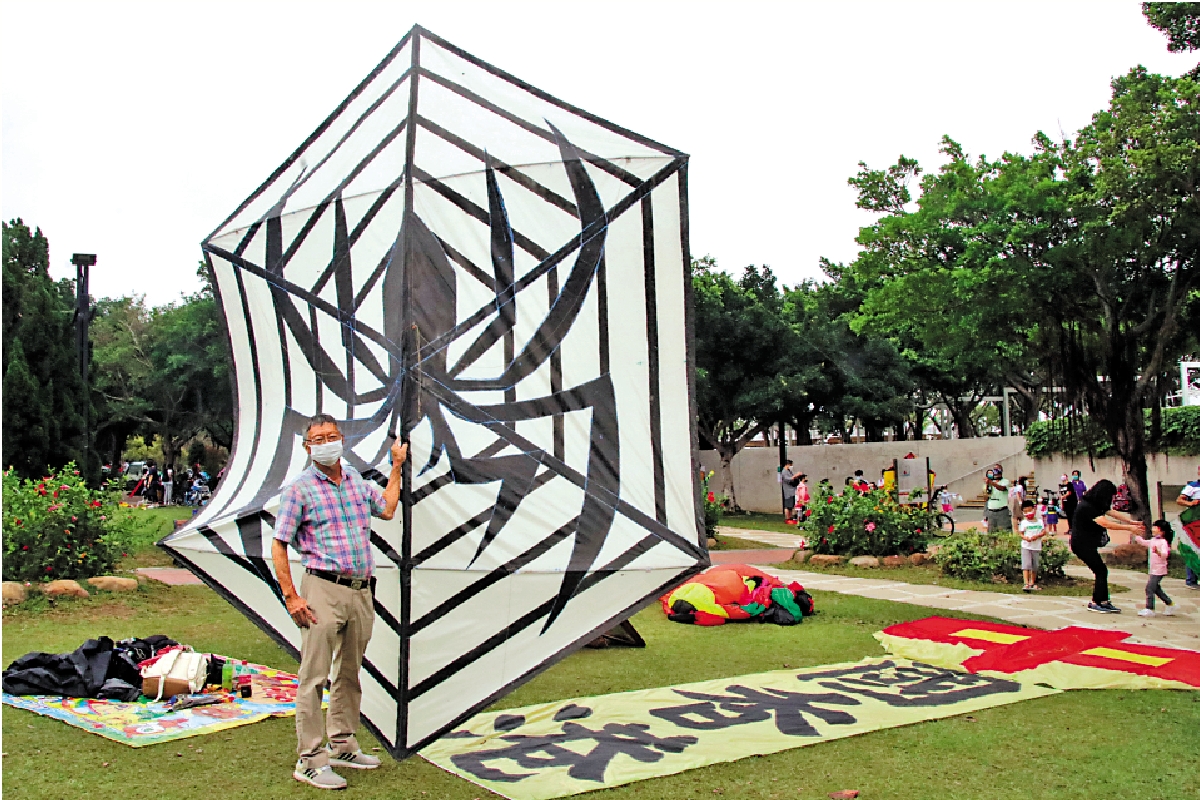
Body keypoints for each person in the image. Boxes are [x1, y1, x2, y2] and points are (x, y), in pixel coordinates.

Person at [271, 414, 408, 789]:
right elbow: (279, 544)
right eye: (318, 439)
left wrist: (396, 466)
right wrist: (291, 596)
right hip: (322, 588)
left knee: (349, 672)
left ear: (342, 439)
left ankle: (343, 745)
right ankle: (310, 760)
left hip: (361, 589)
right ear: (307, 447)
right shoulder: (299, 490)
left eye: (331, 436)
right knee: (314, 676)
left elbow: (387, 508)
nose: (326, 444)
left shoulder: (355, 481)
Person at [1072, 479, 1144, 614]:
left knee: (1101, 571)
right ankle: (1096, 602)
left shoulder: (1096, 504)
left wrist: (1131, 522)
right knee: (1101, 571)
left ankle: (1103, 601)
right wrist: (1129, 528)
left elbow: (1111, 512)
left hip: (1088, 544)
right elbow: (1106, 523)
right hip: (1081, 545)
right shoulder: (1087, 507)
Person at [1131, 520, 1176, 617]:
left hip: (1159, 570)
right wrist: (1137, 534)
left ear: (1162, 531)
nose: (1153, 529)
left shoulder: (1163, 542)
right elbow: (1143, 542)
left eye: (1156, 528)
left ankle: (1149, 608)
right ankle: (1170, 604)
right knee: (1156, 589)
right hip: (1153, 569)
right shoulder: (1154, 540)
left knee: (1149, 588)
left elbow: (1165, 555)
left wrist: (1158, 552)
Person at [1176, 465, 1200, 589]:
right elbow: (1179, 500)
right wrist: (1190, 503)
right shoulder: (1193, 486)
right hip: (1194, 522)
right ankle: (1191, 580)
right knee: (1193, 548)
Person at [1018, 499, 1046, 593]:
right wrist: (1025, 538)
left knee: (1034, 566)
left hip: (1036, 546)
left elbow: (1043, 531)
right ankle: (1026, 583)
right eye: (1025, 511)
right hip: (1026, 546)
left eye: (1029, 510)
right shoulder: (1024, 522)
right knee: (1026, 565)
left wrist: (1037, 536)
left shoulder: (1039, 522)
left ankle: (1032, 583)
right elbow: (1021, 533)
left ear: (1034, 509)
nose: (1028, 513)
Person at [984, 465, 1012, 532]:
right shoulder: (989, 483)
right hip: (991, 511)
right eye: (994, 470)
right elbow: (985, 498)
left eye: (998, 470)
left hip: (1002, 510)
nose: (996, 472)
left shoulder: (1005, 481)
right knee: (991, 532)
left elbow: (1002, 488)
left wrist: (992, 483)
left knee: (1004, 531)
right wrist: (987, 486)